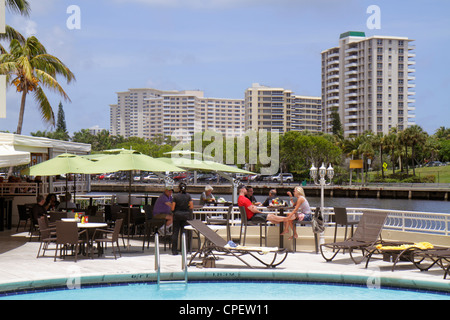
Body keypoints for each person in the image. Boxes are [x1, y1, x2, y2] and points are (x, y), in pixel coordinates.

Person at [171, 182, 193, 255]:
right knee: (184, 233)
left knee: (175, 233)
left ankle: (174, 250)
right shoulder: (188, 196)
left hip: (177, 215)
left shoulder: (175, 196)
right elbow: (191, 206)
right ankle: (184, 249)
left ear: (179, 188)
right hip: (186, 216)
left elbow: (173, 207)